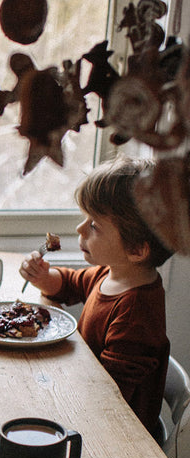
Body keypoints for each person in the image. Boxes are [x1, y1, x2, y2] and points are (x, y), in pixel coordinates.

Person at [19, 156, 173, 440]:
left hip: (115, 438)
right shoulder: (112, 273)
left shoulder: (136, 315)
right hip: (87, 407)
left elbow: (108, 397)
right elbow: (68, 284)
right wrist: (43, 278)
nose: (79, 229)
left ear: (137, 250)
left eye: (94, 226)